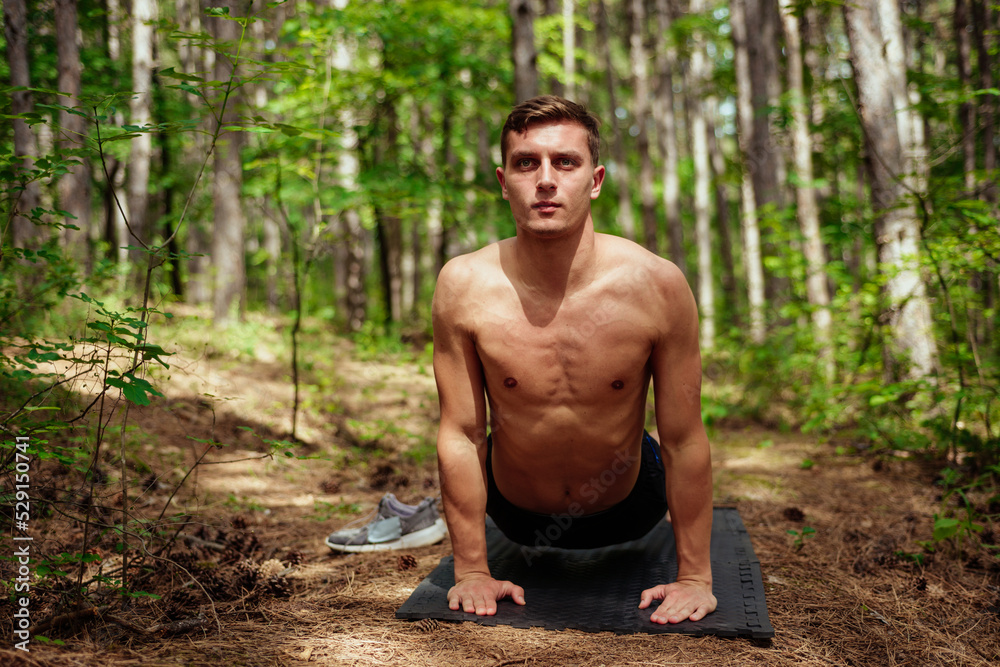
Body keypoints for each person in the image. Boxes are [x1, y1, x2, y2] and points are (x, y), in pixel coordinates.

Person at [431, 95, 716, 625]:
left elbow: (683, 437)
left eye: (565, 162)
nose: (545, 179)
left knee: (659, 445)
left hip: (633, 505)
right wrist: (471, 569)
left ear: (596, 179)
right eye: (526, 163)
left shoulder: (657, 284)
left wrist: (695, 578)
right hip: (513, 511)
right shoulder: (464, 285)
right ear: (502, 180)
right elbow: (461, 434)